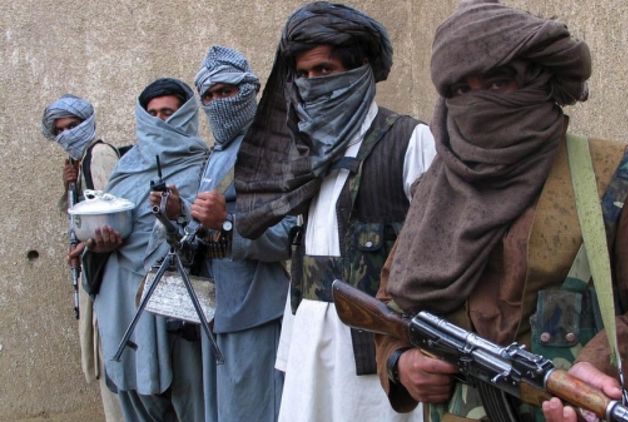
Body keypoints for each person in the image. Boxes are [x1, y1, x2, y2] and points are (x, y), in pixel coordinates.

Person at [374, 1, 628, 422]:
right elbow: (391, 303)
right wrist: (401, 363)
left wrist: (601, 371)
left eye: (498, 82)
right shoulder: (438, 191)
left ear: (538, 82)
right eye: (461, 90)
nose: (478, 103)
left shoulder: (622, 177)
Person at [233, 2, 436, 421]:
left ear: (359, 70)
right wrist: (293, 349)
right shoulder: (305, 155)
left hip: (377, 358)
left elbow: (436, 258)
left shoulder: (410, 141)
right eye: (304, 74)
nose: (312, 85)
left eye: (324, 70)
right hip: (310, 349)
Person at [78, 78, 209, 421]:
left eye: (168, 113)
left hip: (176, 308)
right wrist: (100, 243)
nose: (159, 121)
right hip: (121, 299)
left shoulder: (204, 166)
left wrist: (177, 212)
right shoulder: (126, 167)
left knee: (192, 402)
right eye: (152, 114)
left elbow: (208, 237)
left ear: (185, 115)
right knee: (136, 403)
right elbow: (107, 215)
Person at [185, 45, 292, 422]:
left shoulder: (271, 150)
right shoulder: (216, 154)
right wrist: (177, 214)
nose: (217, 102)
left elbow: (287, 236)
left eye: (226, 91)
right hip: (215, 308)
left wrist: (226, 223)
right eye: (209, 95)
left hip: (256, 309)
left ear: (248, 91)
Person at [42, 94, 123, 422]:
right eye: (60, 130)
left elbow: (115, 217)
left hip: (112, 277)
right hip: (96, 277)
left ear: (87, 123)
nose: (67, 134)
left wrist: (86, 246)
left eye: (73, 126)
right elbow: (81, 216)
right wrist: (69, 187)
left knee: (114, 367)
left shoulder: (99, 155)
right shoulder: (80, 163)